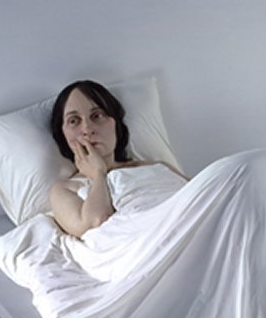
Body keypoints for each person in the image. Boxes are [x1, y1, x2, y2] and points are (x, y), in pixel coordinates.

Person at [49, 80, 184, 238]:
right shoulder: (64, 189)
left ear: (115, 124)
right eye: (74, 121)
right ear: (63, 135)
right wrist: (98, 175)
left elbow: (200, 193)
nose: (87, 129)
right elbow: (94, 225)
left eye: (97, 116)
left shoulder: (158, 166)